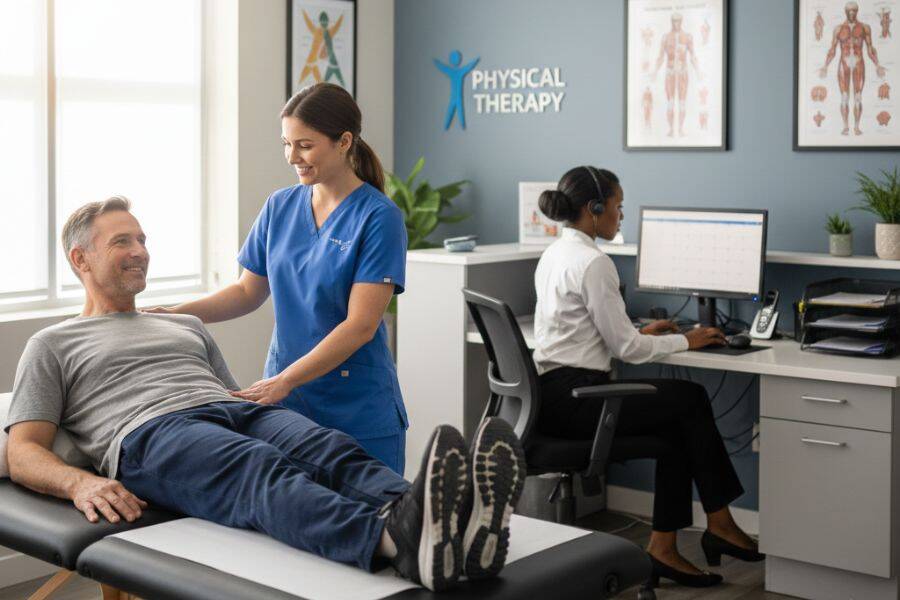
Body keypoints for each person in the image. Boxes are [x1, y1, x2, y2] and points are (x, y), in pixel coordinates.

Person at [6, 198, 526, 592]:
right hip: (149, 434)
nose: (141, 251)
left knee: (328, 448)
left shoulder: (183, 324)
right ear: (80, 258)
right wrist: (79, 484)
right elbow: (23, 449)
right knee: (257, 469)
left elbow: (227, 393)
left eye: (142, 238)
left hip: (230, 408)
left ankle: (448, 521)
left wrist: (256, 402)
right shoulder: (53, 343)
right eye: (122, 241)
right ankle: (395, 543)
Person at [149, 83, 409, 473]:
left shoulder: (378, 217)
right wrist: (177, 314)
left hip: (355, 405)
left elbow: (360, 325)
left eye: (304, 145)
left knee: (373, 520)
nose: (292, 157)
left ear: (344, 141)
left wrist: (285, 380)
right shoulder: (280, 206)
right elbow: (246, 292)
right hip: (286, 403)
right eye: (286, 144)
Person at [532, 166, 764, 589]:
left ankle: (668, 545)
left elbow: (595, 333)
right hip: (580, 400)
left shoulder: (556, 253)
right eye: (618, 206)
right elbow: (629, 352)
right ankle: (720, 521)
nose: (621, 215)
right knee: (690, 399)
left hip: (555, 396)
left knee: (678, 427)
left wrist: (638, 331)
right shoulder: (593, 262)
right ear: (594, 208)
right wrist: (688, 341)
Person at [819, 1, 887, 136]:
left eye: (854, 10)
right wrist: (825, 65)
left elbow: (870, 48)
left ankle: (856, 127)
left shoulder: (864, 28)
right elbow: (832, 49)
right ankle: (845, 126)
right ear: (845, 11)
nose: (852, 13)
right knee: (844, 97)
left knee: (858, 97)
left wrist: (877, 64)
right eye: (849, 10)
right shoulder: (838, 29)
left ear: (857, 11)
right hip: (843, 65)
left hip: (859, 64)